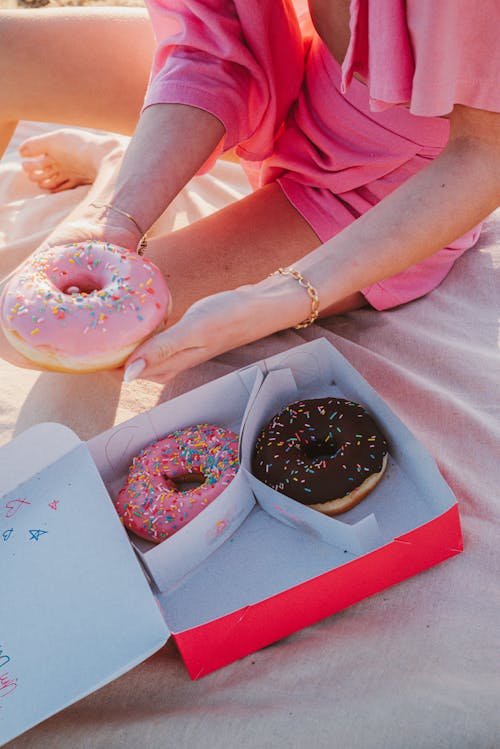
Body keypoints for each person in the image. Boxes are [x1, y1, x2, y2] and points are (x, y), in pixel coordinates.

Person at [0, 0, 499, 383]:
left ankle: (115, 161)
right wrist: (117, 216)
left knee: (56, 337)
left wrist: (278, 298)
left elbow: (486, 150)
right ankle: (120, 167)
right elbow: (215, 43)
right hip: (275, 69)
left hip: (390, 188)